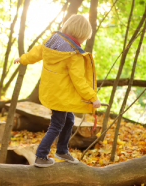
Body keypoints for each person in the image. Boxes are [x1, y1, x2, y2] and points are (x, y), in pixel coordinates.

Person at [14, 14, 101, 167]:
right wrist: (92, 97)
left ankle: (61, 150)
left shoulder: (50, 43)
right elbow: (79, 80)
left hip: (53, 94)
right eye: (84, 38)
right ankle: (41, 156)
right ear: (80, 35)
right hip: (61, 97)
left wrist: (22, 59)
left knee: (69, 120)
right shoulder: (73, 55)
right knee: (57, 125)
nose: (83, 41)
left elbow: (35, 53)